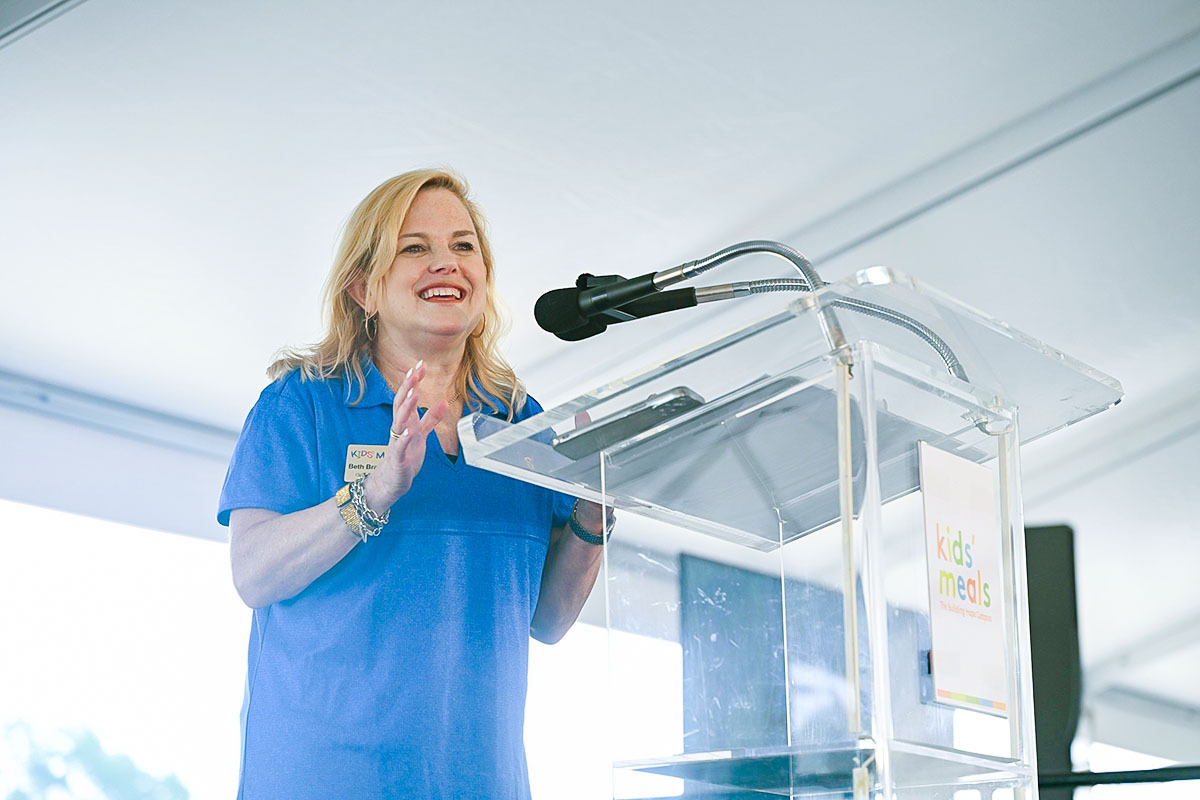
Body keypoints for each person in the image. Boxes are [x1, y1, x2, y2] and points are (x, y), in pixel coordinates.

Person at [217, 169, 611, 800]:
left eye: (463, 246)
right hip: (326, 781)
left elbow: (549, 621)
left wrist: (594, 513)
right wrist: (372, 494)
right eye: (414, 247)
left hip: (481, 784)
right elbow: (253, 574)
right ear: (362, 288)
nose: (446, 263)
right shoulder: (302, 404)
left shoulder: (521, 423)